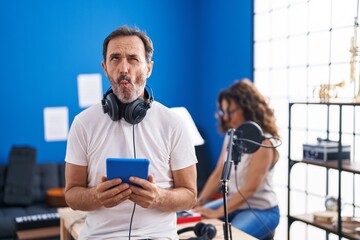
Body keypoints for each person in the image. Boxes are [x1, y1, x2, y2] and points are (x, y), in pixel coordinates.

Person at [64, 26, 198, 239]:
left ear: (148, 68)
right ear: (105, 67)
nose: (124, 68)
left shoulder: (174, 123)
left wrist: (159, 197)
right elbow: (71, 195)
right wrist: (96, 197)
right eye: (115, 58)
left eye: (133, 59)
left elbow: (190, 196)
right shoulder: (82, 123)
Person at [194, 79, 280, 239]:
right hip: (234, 202)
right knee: (195, 218)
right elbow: (218, 173)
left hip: (261, 209)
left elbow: (250, 188)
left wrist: (217, 213)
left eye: (230, 111)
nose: (226, 118)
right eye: (223, 112)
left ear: (247, 108)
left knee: (227, 237)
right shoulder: (232, 135)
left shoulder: (264, 142)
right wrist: (200, 200)